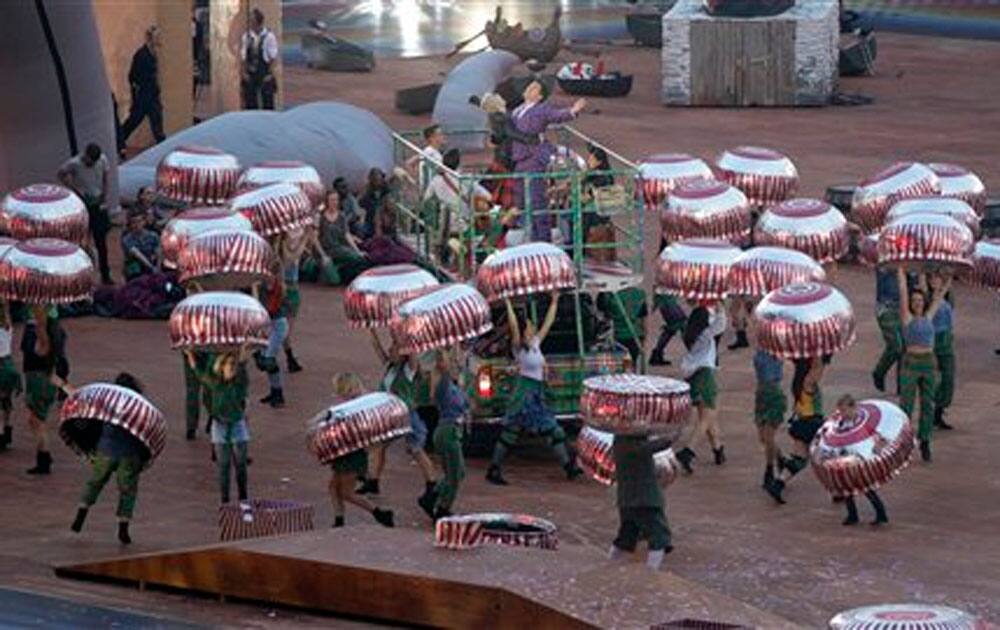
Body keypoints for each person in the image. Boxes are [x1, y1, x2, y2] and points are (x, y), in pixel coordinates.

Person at [486, 292, 583, 485]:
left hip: (536, 391)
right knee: (515, 432)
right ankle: (494, 468)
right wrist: (508, 304)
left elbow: (549, 321)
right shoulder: (518, 349)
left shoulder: (536, 344)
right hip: (525, 392)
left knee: (548, 430)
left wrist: (554, 301)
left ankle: (568, 466)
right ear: (524, 332)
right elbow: (514, 327)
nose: (533, 328)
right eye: (529, 326)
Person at [359, 334, 439, 507]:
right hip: (391, 415)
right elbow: (377, 348)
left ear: (402, 353)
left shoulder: (409, 370)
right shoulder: (391, 367)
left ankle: (432, 482)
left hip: (406, 415)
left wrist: (406, 337)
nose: (390, 350)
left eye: (394, 348)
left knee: (416, 450)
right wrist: (371, 330)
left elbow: (412, 354)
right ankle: (373, 482)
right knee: (378, 445)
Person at [70, 373, 151, 544]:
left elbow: (88, 417)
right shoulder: (138, 407)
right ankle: (123, 527)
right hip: (129, 453)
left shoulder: (106, 402)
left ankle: (81, 513)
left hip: (105, 450)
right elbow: (146, 431)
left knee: (95, 483)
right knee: (127, 492)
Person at [509, 80, 586, 241]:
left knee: (537, 199)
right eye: (529, 86)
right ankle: (526, 234)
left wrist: (572, 111)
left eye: (534, 88)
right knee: (520, 197)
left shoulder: (541, 109)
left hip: (533, 156)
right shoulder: (517, 110)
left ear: (540, 96)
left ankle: (543, 238)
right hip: (518, 157)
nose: (529, 88)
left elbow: (555, 115)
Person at [187, 348, 254, 521]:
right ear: (221, 367)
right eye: (229, 366)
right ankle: (225, 503)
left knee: (240, 466)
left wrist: (244, 351)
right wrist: (190, 354)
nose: (232, 369)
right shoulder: (214, 383)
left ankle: (244, 502)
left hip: (237, 424)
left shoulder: (239, 382)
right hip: (220, 424)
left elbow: (243, 364)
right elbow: (199, 372)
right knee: (223, 467)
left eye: (233, 366)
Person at [325, 373, 394, 528]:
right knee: (333, 487)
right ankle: (339, 520)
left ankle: (379, 513)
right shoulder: (358, 403)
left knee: (346, 492)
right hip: (346, 452)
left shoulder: (358, 406)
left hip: (352, 453)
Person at [898, 265, 950, 462]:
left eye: (920, 300)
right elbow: (903, 291)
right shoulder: (907, 317)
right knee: (907, 405)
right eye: (914, 300)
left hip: (928, 363)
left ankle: (925, 440)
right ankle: (903, 443)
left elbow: (940, 294)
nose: (917, 302)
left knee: (928, 403)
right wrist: (901, 271)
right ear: (910, 303)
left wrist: (949, 276)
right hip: (911, 363)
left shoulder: (929, 316)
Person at [765, 356, 827, 504]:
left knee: (799, 460)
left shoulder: (798, 382)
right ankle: (839, 491)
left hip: (800, 424)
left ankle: (778, 484)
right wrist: (820, 351)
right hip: (813, 424)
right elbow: (819, 366)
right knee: (829, 457)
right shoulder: (808, 382)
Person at [607, 433, 674, 571]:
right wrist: (670, 437)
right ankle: (651, 572)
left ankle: (609, 566)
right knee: (659, 535)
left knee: (627, 536)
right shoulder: (631, 442)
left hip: (628, 498)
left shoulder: (620, 439)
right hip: (644, 498)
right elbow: (648, 448)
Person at [674, 306, 724, 473]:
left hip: (692, 376)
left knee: (707, 415)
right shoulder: (706, 335)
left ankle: (718, 449)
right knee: (709, 415)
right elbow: (721, 324)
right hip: (705, 375)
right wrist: (720, 307)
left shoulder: (690, 334)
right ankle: (689, 451)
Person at [21, 307, 68, 475]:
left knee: (37, 422)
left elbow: (40, 325)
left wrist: (38, 308)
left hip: (38, 381)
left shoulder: (43, 340)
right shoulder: (55, 337)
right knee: (36, 421)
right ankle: (43, 456)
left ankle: (44, 458)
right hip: (45, 380)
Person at [830, 394, 889, 526]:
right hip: (846, 457)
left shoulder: (864, 421)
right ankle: (852, 515)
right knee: (847, 486)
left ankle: (881, 513)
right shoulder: (841, 423)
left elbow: (879, 434)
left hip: (861, 458)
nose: (842, 414)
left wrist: (877, 446)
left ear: (853, 408)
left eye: (844, 410)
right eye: (840, 411)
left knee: (866, 486)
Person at [58, 143, 112, 284]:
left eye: (94, 162)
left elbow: (106, 176)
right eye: (89, 161)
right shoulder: (74, 163)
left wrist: (105, 195)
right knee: (82, 241)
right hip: (84, 204)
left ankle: (105, 275)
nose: (91, 164)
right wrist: (75, 189)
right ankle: (82, 275)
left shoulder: (102, 159)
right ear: (85, 155)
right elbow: (61, 173)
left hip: (98, 202)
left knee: (101, 241)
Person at [426, 350, 469, 521]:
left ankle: (433, 497)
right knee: (455, 474)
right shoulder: (443, 386)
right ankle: (442, 506)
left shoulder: (454, 386)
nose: (455, 365)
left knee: (458, 472)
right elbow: (442, 364)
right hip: (447, 432)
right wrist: (445, 351)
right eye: (451, 363)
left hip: (452, 432)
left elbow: (466, 403)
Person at [120, 26, 165, 150]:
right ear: (152, 39)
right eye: (158, 37)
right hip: (144, 96)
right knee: (133, 121)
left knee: (157, 125)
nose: (161, 39)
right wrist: (137, 94)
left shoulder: (153, 54)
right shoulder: (141, 55)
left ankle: (162, 147)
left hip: (153, 95)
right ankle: (118, 141)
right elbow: (132, 76)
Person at [315, 188, 373, 284]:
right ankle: (323, 271)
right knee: (334, 281)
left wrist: (357, 251)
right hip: (326, 251)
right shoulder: (320, 217)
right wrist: (323, 255)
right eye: (332, 200)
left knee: (359, 258)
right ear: (326, 201)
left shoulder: (341, 216)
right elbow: (315, 238)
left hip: (339, 249)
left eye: (336, 200)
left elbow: (347, 235)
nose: (334, 202)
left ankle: (341, 270)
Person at [871, 266, 913, 394]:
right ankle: (879, 372)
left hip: (905, 306)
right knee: (896, 346)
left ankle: (902, 386)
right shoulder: (887, 259)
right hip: (886, 306)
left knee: (905, 347)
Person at [752, 347, 786, 489]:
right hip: (761, 394)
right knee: (763, 438)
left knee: (768, 436)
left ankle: (769, 471)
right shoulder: (760, 347)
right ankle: (781, 458)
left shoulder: (776, 348)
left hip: (773, 394)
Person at [257, 260, 288, 408]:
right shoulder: (260, 285)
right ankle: (274, 390)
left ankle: (279, 394)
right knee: (262, 360)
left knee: (269, 359)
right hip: (266, 325)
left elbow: (270, 309)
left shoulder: (278, 287)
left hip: (277, 324)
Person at [927, 271, 955, 431]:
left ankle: (939, 410)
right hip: (934, 339)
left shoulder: (948, 297)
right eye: (932, 278)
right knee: (934, 379)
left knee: (948, 377)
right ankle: (933, 413)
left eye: (937, 278)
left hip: (947, 340)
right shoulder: (927, 297)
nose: (934, 281)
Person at [279, 230, 308, 373]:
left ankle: (289, 355)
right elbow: (290, 258)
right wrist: (305, 239)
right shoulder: (281, 247)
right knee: (286, 325)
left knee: (285, 325)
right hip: (287, 288)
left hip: (289, 287)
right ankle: (287, 355)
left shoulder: (277, 245)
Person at [596, 287, 648, 366]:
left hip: (615, 336)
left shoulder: (608, 293)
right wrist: (644, 337)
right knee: (631, 364)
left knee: (617, 367)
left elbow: (601, 312)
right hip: (635, 335)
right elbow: (643, 319)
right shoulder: (639, 294)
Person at [241, 9, 279, 110]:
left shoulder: (269, 37)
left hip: (264, 71)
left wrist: (270, 74)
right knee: (250, 101)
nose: (250, 23)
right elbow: (243, 56)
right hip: (251, 72)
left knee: (267, 101)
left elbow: (273, 57)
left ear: (257, 22)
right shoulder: (247, 36)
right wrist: (244, 72)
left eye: (252, 21)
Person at [0, 302, 22, 453]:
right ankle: (7, 430)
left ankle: (1, 433)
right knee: (6, 401)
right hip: (8, 365)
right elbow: (6, 310)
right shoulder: (8, 326)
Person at [120, 207, 160, 281]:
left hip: (151, 265)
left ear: (144, 222)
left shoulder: (153, 236)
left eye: (139, 221)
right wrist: (152, 268)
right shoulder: (127, 239)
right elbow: (137, 255)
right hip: (135, 268)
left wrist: (158, 268)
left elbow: (158, 253)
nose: (136, 225)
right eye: (133, 222)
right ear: (130, 224)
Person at [649, 294, 687, 367]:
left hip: (668, 302)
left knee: (675, 327)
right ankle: (694, 353)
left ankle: (657, 354)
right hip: (667, 303)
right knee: (679, 324)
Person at [407, 124, 447, 189]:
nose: (443, 136)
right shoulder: (429, 151)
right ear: (431, 138)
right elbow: (409, 163)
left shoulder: (435, 152)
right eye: (440, 134)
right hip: (431, 190)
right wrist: (416, 180)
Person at [358, 168, 391, 239]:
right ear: (371, 179)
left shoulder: (385, 187)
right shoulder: (367, 189)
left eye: (380, 179)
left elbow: (387, 201)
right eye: (376, 180)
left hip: (383, 217)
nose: (378, 182)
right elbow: (361, 203)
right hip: (370, 217)